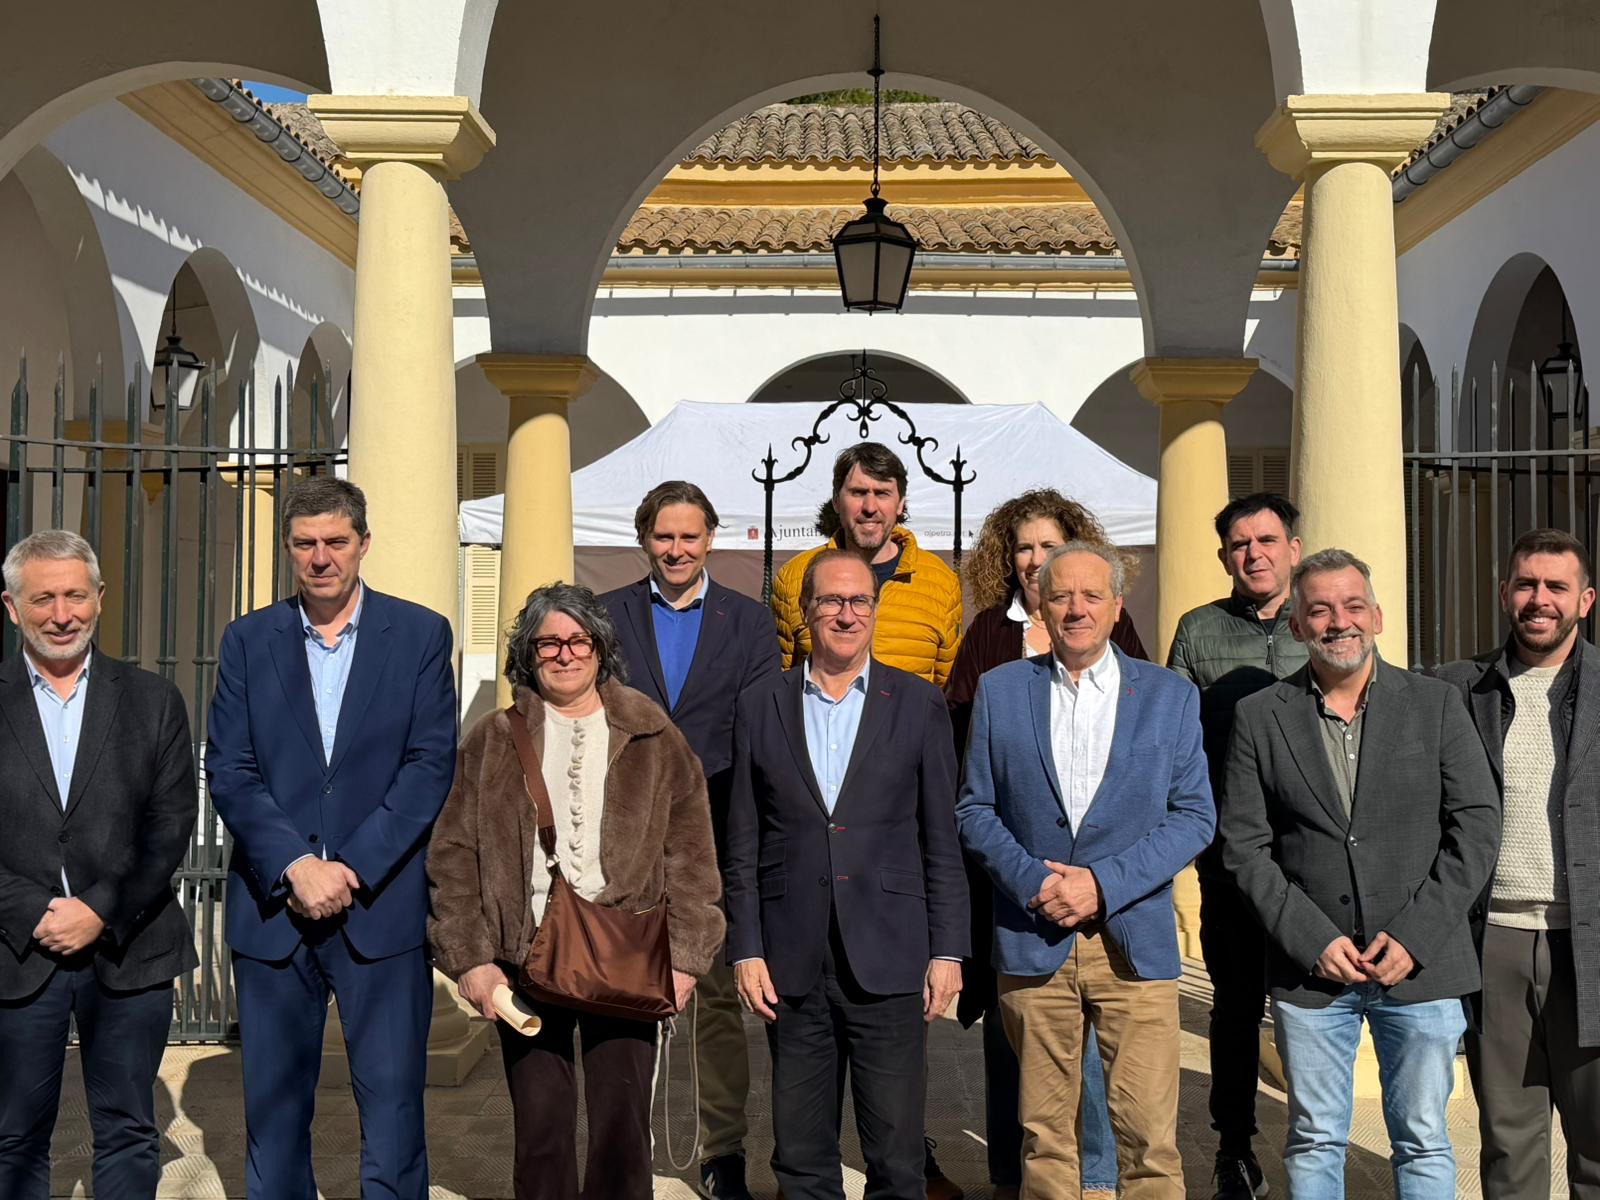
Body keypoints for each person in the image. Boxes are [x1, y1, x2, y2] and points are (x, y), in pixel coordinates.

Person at [429, 582, 724, 1200]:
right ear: (528, 655)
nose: (564, 654)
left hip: (628, 956)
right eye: (548, 643)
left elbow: (692, 855)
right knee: (541, 1130)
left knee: (622, 1132)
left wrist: (686, 960)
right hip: (522, 960)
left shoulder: (653, 735)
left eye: (578, 640)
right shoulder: (492, 738)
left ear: (600, 648)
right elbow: (453, 856)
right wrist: (472, 962)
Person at [206, 477, 458, 1200]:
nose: (321, 558)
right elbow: (231, 769)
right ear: (287, 548)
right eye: (305, 543)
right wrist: (295, 864)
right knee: (274, 1120)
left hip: (381, 910)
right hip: (273, 913)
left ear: (363, 544)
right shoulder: (247, 641)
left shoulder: (419, 635)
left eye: (336, 542)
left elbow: (429, 764)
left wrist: (349, 866)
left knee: (394, 1119)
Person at [1220, 548, 1500, 1200]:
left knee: (1424, 1139)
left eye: (1352, 606)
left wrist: (1416, 936)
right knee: (1315, 1138)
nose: (1338, 621)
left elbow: (1477, 827)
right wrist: (1310, 937)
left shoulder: (1436, 704)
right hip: (1312, 973)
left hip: (1422, 968)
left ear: (1376, 616)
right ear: (1297, 625)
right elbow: (1244, 846)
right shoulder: (1260, 716)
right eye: (1319, 610)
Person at [957, 541, 1214, 1199]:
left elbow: (1194, 818)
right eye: (1061, 595)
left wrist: (1101, 885)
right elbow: (975, 810)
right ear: (1041, 605)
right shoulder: (1000, 691)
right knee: (1044, 1140)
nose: (1076, 608)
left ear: (1117, 606)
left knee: (1149, 1142)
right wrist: (1036, 883)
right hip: (1032, 935)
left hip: (1133, 941)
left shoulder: (1170, 696)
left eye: (1092, 595)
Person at [726, 549, 968, 1200]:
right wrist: (745, 948)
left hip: (891, 953)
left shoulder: (917, 703)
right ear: (805, 612)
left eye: (859, 600)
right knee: (801, 1158)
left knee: (897, 1158)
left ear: (875, 609)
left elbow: (941, 839)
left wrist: (948, 949)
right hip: (791, 958)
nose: (846, 613)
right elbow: (742, 840)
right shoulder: (760, 704)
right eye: (831, 600)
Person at [945, 489, 1149, 1199]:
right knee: (1015, 1040)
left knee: (1097, 1055)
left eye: (1048, 546)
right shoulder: (989, 635)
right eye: (1024, 548)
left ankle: (1096, 1178)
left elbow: (1141, 752)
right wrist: (1025, 872)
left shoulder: (1113, 630)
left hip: (1106, 887)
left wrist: (1100, 877)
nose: (1035, 560)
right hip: (1012, 880)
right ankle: (1014, 1179)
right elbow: (965, 753)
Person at [0, 530, 198, 1200]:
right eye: (43, 599)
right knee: (13, 1138)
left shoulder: (153, 700)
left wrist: (98, 909)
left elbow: (169, 825)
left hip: (129, 948)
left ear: (100, 598)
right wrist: (32, 910)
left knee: (128, 1132)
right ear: (12, 607)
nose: (62, 614)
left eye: (76, 596)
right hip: (15, 949)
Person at [599, 480, 780, 1200]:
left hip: (716, 831)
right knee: (622, 994)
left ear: (710, 540)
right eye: (664, 536)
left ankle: (723, 1149)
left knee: (714, 998)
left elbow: (760, 727)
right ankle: (624, 1147)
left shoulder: (749, 621)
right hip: (626, 833)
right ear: (644, 539)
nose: (676, 549)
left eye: (689, 536)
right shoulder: (606, 615)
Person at [1436, 528, 1600, 1199]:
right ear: (1505, 592)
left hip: (1590, 943)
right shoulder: (1453, 690)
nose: (1540, 599)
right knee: (1508, 1144)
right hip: (1493, 940)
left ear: (1585, 600)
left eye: (1557, 586)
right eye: (1527, 584)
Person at [1165, 491, 1308, 1200]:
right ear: (1225, 557)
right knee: (1235, 1007)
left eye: (1267, 540)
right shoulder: (1198, 631)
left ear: (1294, 550)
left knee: (1314, 1009)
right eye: (1240, 544)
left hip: (1314, 862)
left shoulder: (1323, 621)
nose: (1254, 554)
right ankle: (1235, 1149)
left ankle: (1315, 1147)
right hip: (1232, 863)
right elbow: (1175, 743)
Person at [771, 442, 963, 688]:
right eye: (858, 492)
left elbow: (946, 690)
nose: (870, 508)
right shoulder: (794, 577)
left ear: (900, 504)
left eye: (882, 493)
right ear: (836, 501)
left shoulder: (941, 583)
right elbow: (781, 683)